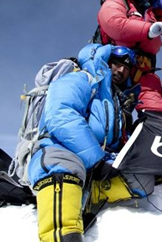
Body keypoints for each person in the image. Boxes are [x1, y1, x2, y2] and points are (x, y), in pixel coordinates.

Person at [28, 44, 154, 242]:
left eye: (126, 68)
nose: (121, 70)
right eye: (116, 64)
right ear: (105, 61)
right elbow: (61, 115)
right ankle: (63, 233)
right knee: (63, 164)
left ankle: (85, 192)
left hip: (96, 161)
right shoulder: (81, 79)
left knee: (142, 180)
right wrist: (95, 159)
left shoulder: (115, 101)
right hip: (60, 149)